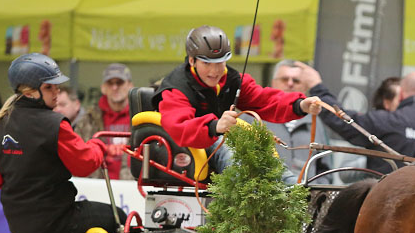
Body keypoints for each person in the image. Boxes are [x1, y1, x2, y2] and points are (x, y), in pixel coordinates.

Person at [0, 53, 126, 233]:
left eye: (56, 85)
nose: (56, 91)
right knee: (119, 216)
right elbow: (85, 164)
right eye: (49, 87)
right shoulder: (54, 124)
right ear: (30, 92)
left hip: (20, 228)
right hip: (57, 224)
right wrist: (98, 145)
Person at [153, 25, 322, 175]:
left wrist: (299, 105)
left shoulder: (233, 80)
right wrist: (214, 126)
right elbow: (178, 126)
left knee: (273, 166)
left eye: (220, 63)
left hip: (225, 138)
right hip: (194, 147)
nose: (214, 71)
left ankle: (297, 197)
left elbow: (264, 100)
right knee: (237, 161)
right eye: (207, 63)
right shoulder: (176, 88)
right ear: (192, 60)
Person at [297, 64, 415, 174]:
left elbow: (342, 120)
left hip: (387, 203)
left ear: (402, 94)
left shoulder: (387, 121)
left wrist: (317, 87)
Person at [262, 59, 330, 183]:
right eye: (284, 79)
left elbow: (325, 169)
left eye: (296, 80)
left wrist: (316, 192)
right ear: (273, 82)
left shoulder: (316, 121)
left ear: (305, 87)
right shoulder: (252, 117)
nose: (290, 83)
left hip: (306, 199)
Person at [81, 63, 134, 179]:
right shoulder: (88, 118)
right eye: (110, 83)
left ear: (130, 86)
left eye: (119, 82)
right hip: (97, 187)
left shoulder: (141, 117)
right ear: (103, 88)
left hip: (133, 187)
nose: (115, 87)